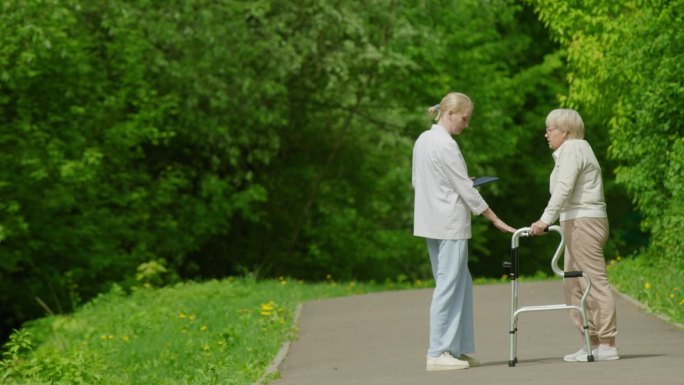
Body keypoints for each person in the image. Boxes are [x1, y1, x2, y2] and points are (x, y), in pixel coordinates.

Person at [412, 92, 516, 371]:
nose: (466, 125)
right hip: (448, 224)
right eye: (464, 119)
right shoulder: (446, 145)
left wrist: (456, 184)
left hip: (431, 221)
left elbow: (420, 181)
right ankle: (438, 352)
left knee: (459, 283)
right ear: (449, 113)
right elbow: (466, 191)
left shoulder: (423, 139)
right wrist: (495, 219)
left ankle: (457, 348)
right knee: (449, 286)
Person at [529, 108, 619, 362]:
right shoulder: (567, 152)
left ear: (565, 132)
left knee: (592, 281)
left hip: (584, 221)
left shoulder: (574, 148)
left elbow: (564, 188)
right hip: (574, 220)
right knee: (573, 284)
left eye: (550, 129)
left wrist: (545, 219)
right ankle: (591, 341)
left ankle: (608, 343)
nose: (546, 134)